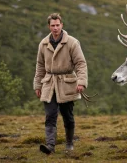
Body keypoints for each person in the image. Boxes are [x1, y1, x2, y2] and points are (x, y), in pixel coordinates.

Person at [33, 13, 88, 154]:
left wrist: (81, 82)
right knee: (50, 115)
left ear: (62, 25)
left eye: (58, 25)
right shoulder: (43, 44)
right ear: (49, 26)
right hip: (49, 84)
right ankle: (50, 146)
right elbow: (39, 66)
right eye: (53, 25)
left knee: (67, 116)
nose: (55, 28)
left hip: (67, 84)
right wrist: (37, 85)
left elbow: (80, 64)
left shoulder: (72, 43)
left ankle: (69, 143)